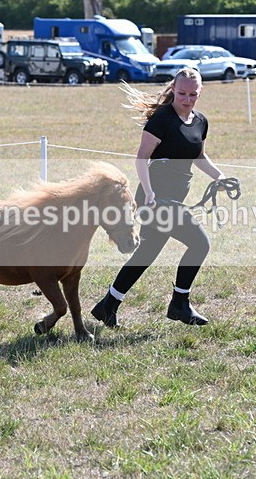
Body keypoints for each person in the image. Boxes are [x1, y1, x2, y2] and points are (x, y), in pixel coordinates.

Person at [91, 67, 229, 328]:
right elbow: (142, 157)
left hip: (174, 197)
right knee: (200, 244)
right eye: (181, 93)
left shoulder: (200, 121)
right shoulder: (162, 119)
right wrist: (150, 192)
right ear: (173, 90)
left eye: (192, 94)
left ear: (201, 92)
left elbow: (198, 155)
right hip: (155, 199)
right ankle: (180, 304)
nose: (187, 99)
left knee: (147, 252)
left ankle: (108, 305)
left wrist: (218, 177)